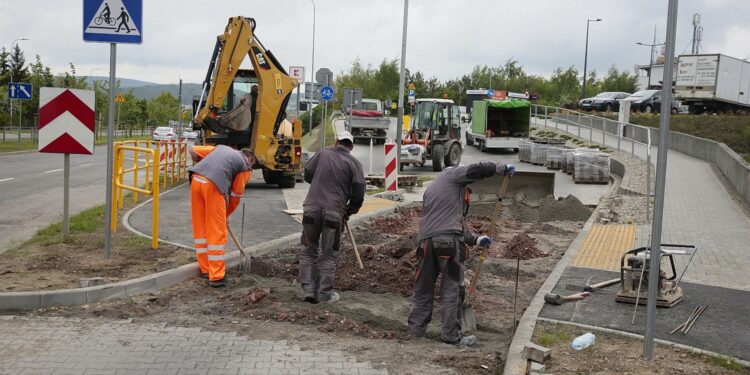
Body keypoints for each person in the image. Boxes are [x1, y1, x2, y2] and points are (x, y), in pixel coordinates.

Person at [407, 161, 515, 347]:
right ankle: (451, 335)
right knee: (453, 289)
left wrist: (475, 239)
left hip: (426, 243)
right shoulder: (454, 175)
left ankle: (415, 331)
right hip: (447, 243)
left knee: (423, 288)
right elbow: (478, 169)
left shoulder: (433, 188)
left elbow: (447, 222)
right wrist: (501, 168)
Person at [299, 131, 365, 304]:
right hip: (334, 213)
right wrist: (348, 212)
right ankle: (323, 293)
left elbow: (307, 173)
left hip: (311, 209)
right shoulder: (355, 164)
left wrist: (320, 182)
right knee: (329, 254)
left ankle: (308, 289)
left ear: (336, 142)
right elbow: (358, 195)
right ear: (351, 147)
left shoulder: (322, 153)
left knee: (308, 249)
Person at [188, 145, 255, 287]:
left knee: (201, 228)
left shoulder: (221, 148)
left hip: (196, 181)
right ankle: (217, 276)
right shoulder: (245, 167)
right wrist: (225, 214)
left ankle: (206, 269)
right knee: (216, 231)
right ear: (250, 159)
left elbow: (193, 150)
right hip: (213, 186)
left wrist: (199, 159)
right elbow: (236, 196)